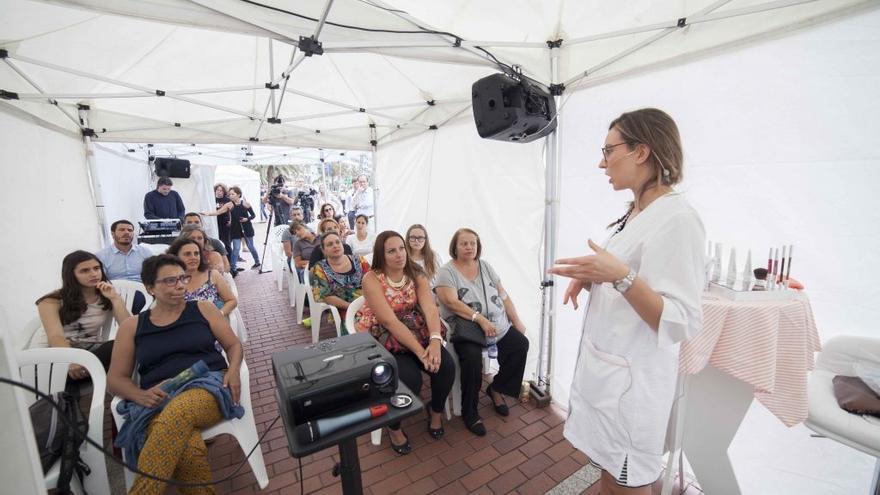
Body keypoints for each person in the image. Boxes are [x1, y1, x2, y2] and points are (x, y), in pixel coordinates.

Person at [550, 108, 706, 493]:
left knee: (626, 483)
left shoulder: (678, 219)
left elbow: (681, 318)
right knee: (608, 476)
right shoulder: (636, 212)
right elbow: (627, 280)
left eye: (608, 150)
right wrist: (592, 280)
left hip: (631, 391)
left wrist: (618, 276)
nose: (601, 162)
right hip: (609, 378)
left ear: (641, 151)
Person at [108, 255, 243, 494]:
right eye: (170, 281)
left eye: (182, 278)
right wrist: (139, 396)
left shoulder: (203, 308)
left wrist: (233, 371)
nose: (180, 286)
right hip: (159, 398)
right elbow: (115, 379)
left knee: (179, 412)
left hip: (206, 386)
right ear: (150, 288)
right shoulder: (133, 326)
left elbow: (233, 345)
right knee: (188, 449)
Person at [355, 231, 454, 454]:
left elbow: (429, 307)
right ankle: (394, 426)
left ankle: (435, 412)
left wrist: (436, 342)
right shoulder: (371, 278)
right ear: (381, 254)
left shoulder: (416, 272)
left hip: (415, 328)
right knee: (409, 379)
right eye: (391, 251)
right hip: (384, 336)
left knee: (446, 367)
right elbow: (389, 321)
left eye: (401, 248)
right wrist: (421, 352)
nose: (399, 254)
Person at [435, 228, 530, 437]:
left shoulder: (485, 266)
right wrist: (480, 319)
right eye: (464, 243)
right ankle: (470, 411)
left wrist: (516, 320)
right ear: (455, 247)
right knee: (471, 360)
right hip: (469, 329)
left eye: (473, 243)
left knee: (520, 345)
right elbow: (451, 301)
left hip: (497, 326)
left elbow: (503, 295)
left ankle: (496, 388)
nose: (469, 247)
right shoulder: (446, 272)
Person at [33, 251, 131, 384]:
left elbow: (129, 327)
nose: (94, 274)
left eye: (96, 268)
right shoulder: (51, 301)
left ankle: (82, 380)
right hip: (55, 353)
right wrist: (71, 359)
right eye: (84, 271)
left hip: (88, 352)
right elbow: (55, 337)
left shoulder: (106, 295)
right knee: (75, 371)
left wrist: (115, 298)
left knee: (124, 344)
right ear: (71, 275)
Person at [309, 233, 371, 333]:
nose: (335, 245)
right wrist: (353, 307)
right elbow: (326, 296)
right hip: (344, 307)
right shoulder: (320, 268)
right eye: (330, 244)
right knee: (361, 327)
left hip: (367, 302)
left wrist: (369, 304)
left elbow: (373, 282)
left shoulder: (359, 260)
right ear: (324, 250)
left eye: (338, 242)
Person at [166, 238, 237, 317]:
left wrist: (219, 314)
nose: (193, 257)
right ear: (176, 256)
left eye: (196, 253)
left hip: (213, 324)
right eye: (187, 254)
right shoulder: (170, 281)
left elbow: (232, 301)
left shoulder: (212, 275)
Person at [228, 186, 261, 270]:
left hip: (247, 228)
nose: (231, 196)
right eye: (230, 194)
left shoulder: (246, 203)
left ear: (238, 194)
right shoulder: (229, 204)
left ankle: (257, 262)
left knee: (251, 247)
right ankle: (233, 268)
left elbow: (253, 215)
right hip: (235, 229)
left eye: (233, 194)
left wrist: (247, 219)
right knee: (236, 249)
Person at [212, 184, 233, 260]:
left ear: (224, 192)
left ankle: (229, 262)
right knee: (217, 243)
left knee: (227, 244)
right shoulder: (212, 199)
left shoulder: (227, 200)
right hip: (215, 224)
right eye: (218, 190)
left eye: (221, 190)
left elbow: (231, 211)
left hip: (225, 224)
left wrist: (230, 220)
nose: (219, 192)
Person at [281, 206, 306, 270]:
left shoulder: (308, 229)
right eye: (294, 215)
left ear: (302, 216)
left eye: (298, 214)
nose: (296, 217)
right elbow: (288, 253)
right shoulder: (287, 232)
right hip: (294, 261)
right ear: (291, 217)